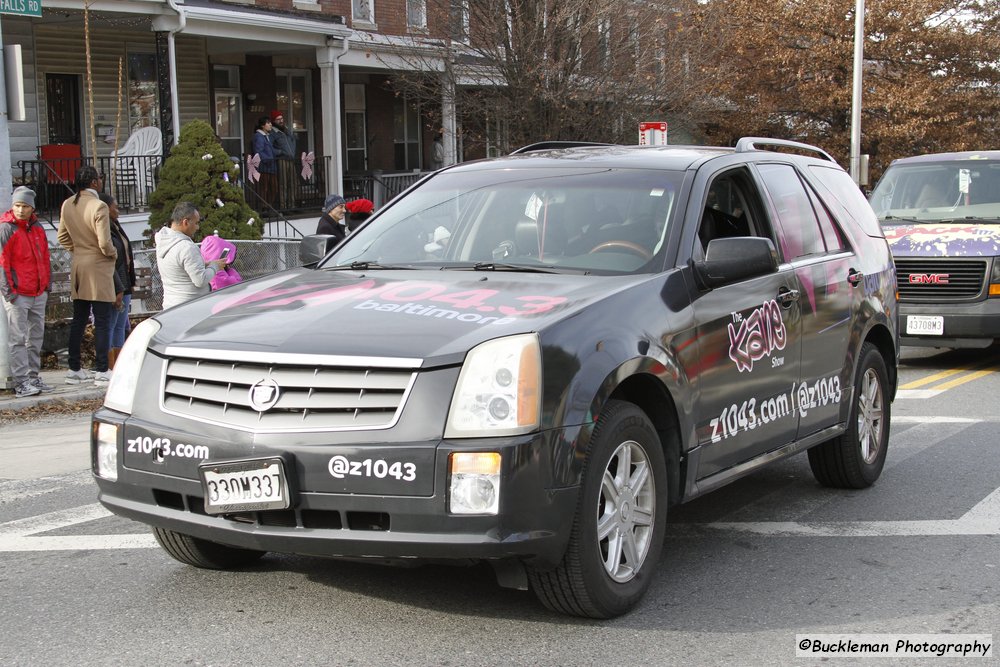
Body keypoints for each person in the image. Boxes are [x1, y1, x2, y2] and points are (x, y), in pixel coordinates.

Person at [57, 166, 117, 385]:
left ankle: (74, 368)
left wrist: (78, 250)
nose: (100, 182)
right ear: (94, 182)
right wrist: (113, 253)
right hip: (98, 266)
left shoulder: (67, 203)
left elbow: (62, 236)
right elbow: (104, 242)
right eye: (99, 179)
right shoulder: (98, 205)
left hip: (79, 264)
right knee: (102, 319)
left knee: (79, 319)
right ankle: (102, 369)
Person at [0, 187, 53, 398]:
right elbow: (2, 263)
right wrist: (9, 292)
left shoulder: (37, 227)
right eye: (17, 205)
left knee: (36, 338)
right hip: (18, 294)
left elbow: (45, 257)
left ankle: (33, 377)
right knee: (18, 339)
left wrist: (46, 286)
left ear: (32, 208)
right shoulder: (7, 229)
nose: (20, 210)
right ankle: (21, 382)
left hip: (38, 292)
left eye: (25, 206)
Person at [155, 202, 227, 310]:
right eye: (196, 223)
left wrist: (205, 264)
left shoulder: (164, 241)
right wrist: (215, 266)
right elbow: (201, 280)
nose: (197, 227)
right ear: (185, 222)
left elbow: (179, 268)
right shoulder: (187, 247)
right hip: (190, 307)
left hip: (170, 306)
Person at [100, 193, 135, 369]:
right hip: (115, 283)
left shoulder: (116, 226)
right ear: (106, 208)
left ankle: (119, 364)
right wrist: (117, 287)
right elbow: (111, 260)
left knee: (121, 325)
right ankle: (108, 364)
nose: (118, 211)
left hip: (126, 281)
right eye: (116, 207)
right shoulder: (103, 229)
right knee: (111, 325)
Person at [269, 110, 297, 209]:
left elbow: (293, 141)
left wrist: (293, 153)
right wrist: (279, 152)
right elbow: (270, 147)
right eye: (278, 119)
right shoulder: (273, 133)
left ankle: (292, 205)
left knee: (293, 183)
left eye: (281, 118)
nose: (281, 121)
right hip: (282, 160)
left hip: (291, 160)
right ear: (274, 121)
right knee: (283, 184)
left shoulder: (286, 130)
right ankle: (283, 206)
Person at [251, 116, 277, 211]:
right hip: (264, 167)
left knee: (273, 188)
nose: (270, 124)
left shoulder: (267, 137)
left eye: (270, 122)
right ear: (262, 125)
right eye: (268, 123)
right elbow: (259, 151)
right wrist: (268, 160)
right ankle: (264, 208)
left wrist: (282, 152)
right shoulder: (259, 137)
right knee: (265, 188)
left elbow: (272, 150)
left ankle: (268, 206)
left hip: (271, 166)